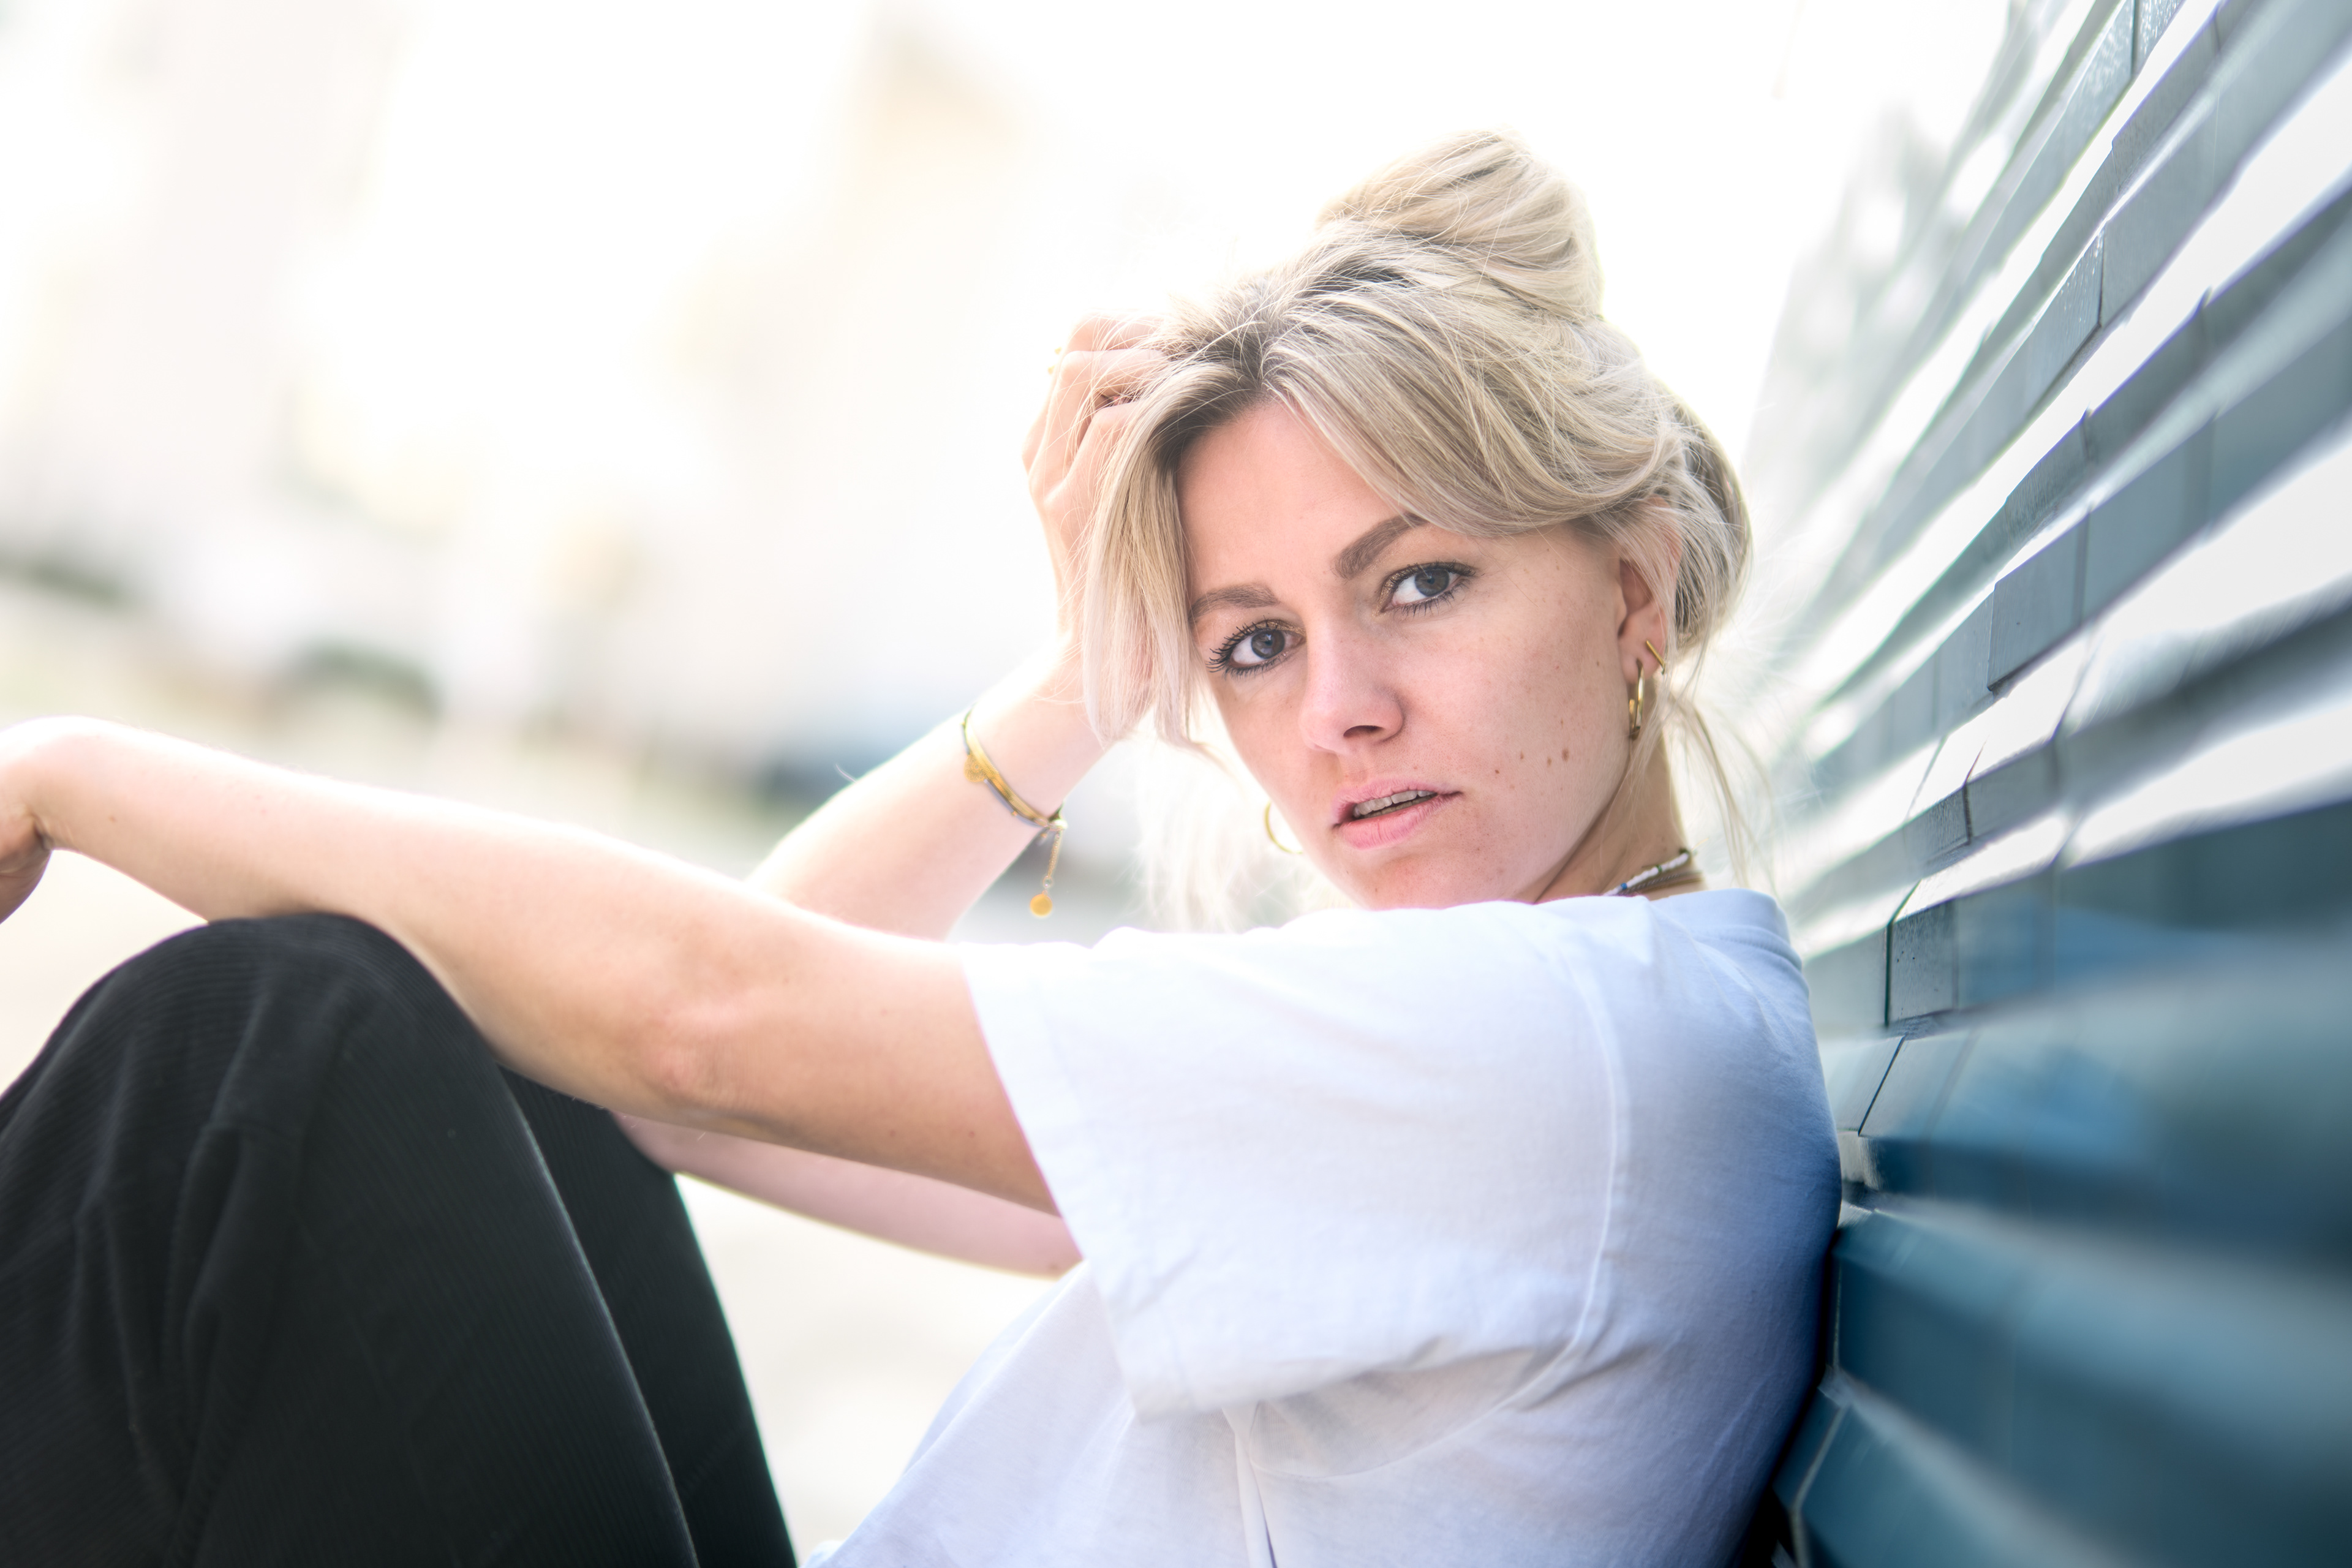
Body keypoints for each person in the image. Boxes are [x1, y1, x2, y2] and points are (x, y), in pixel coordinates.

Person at [0, 131, 1838, 1567]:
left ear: (1636, 588)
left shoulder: (1563, 1054)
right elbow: (677, 1100)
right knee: (487, 1052)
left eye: (1420, 583)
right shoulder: (1568, 1031)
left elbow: (705, 1024)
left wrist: (73, 773)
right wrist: (1079, 685)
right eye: (1254, 642)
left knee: (272, 1049)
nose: (1335, 710)